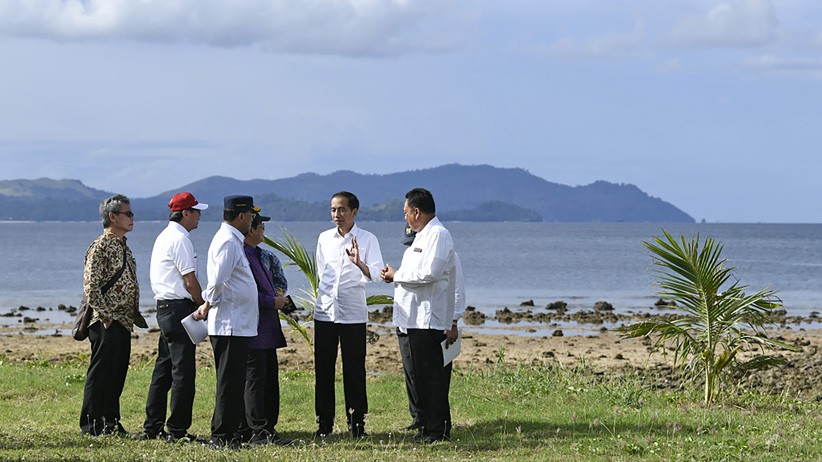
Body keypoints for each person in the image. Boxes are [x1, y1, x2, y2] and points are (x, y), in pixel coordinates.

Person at [381, 188, 458, 444]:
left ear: (417, 211)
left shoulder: (438, 235)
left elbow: (430, 273)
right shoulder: (421, 237)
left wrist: (397, 276)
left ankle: (438, 431)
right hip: (413, 319)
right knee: (421, 377)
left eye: (406, 213)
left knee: (433, 377)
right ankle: (426, 427)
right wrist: (396, 274)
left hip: (429, 318)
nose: (405, 219)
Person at [313, 191, 384, 437]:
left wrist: (359, 262)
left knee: (354, 370)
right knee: (323, 370)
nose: (337, 215)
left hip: (353, 314)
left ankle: (357, 424)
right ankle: (324, 424)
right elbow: (323, 273)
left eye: (342, 209)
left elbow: (377, 274)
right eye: (333, 209)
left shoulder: (367, 239)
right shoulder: (324, 238)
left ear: (354, 212)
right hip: (324, 313)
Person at [139, 192, 208, 442]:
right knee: (183, 371)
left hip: (164, 307)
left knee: (165, 368)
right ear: (186, 213)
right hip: (179, 307)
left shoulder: (165, 236)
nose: (200, 216)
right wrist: (203, 305)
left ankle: (152, 425)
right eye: (196, 211)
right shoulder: (181, 239)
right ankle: (177, 430)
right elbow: (190, 281)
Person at [193, 195, 261, 449]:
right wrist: (207, 304)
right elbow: (218, 281)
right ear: (241, 216)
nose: (252, 221)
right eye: (251, 216)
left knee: (234, 381)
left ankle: (230, 433)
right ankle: (222, 435)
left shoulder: (233, 240)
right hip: (229, 324)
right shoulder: (227, 242)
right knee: (229, 383)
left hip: (238, 323)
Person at [80, 194, 141, 436]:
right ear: (113, 216)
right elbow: (91, 285)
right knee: (101, 373)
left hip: (123, 321)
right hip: (106, 321)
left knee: (117, 374)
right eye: (128, 214)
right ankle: (91, 424)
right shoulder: (101, 245)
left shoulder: (123, 245)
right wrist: (105, 317)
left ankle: (111, 422)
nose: (132, 218)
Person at [396, 224, 465, 433]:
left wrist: (453, 321)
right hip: (409, 321)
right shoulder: (411, 254)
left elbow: (456, 289)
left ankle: (436, 424)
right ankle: (420, 418)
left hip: (432, 321)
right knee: (413, 374)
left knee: (434, 376)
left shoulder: (445, 253)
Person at [240, 212, 291, 446]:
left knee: (269, 379)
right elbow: (245, 292)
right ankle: (257, 429)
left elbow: (278, 283)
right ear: (250, 229)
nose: (263, 232)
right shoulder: (242, 255)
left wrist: (279, 299)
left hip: (268, 326)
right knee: (255, 380)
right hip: (253, 326)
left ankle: (267, 425)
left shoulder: (264, 255)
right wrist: (272, 301)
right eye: (260, 227)